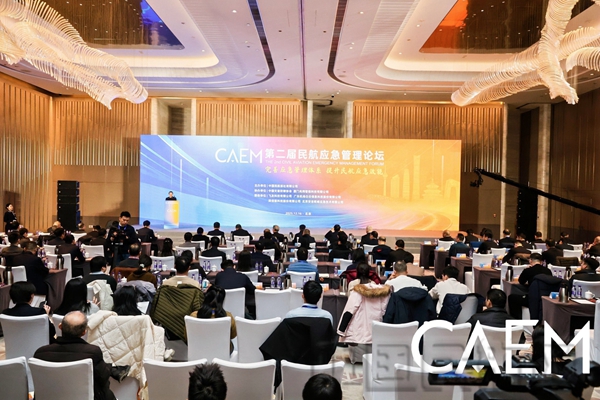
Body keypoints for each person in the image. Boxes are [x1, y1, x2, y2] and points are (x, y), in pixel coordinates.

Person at [34, 311, 117, 400]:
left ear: (60, 326)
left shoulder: (40, 353)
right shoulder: (93, 352)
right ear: (84, 332)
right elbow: (103, 379)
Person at [193, 285, 237, 352]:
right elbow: (233, 335)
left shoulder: (193, 316)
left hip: (199, 350)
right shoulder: (228, 317)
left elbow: (187, 336)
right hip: (222, 351)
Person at [507, 253, 552, 319]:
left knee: (512, 298)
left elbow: (521, 281)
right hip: (546, 298)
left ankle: (516, 319)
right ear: (541, 262)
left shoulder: (528, 270)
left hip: (533, 299)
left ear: (530, 260)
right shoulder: (548, 271)